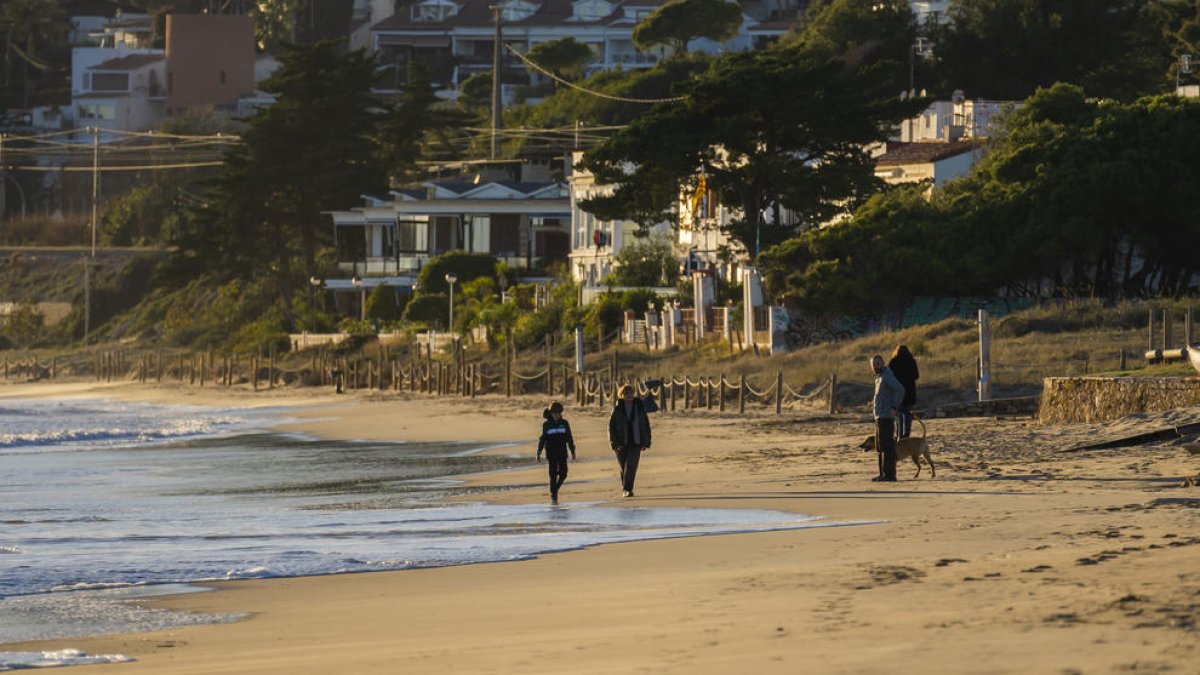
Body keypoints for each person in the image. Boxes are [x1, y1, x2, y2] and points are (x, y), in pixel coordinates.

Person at [608, 384, 652, 498]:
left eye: (631, 393)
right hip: (621, 443)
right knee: (624, 467)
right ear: (621, 395)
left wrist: (646, 442)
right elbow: (611, 427)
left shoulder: (639, 407)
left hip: (636, 442)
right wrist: (614, 443)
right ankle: (625, 488)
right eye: (626, 393)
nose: (629, 395)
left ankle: (628, 489)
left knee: (631, 466)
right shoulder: (617, 408)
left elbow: (645, 425)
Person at [871, 354, 906, 482]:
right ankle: (882, 473)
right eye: (874, 364)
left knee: (887, 446)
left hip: (886, 416)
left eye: (878, 363)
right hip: (879, 416)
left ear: (883, 363)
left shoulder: (887, 376)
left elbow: (900, 389)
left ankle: (890, 475)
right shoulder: (878, 378)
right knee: (880, 446)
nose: (876, 366)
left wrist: (894, 407)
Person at [536, 401, 576, 503]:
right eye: (554, 413)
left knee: (564, 474)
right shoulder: (546, 425)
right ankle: (554, 495)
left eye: (558, 413)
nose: (557, 415)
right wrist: (539, 452)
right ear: (551, 413)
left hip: (562, 452)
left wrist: (572, 450)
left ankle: (555, 489)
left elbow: (569, 437)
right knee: (553, 475)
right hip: (551, 453)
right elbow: (543, 439)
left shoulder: (565, 423)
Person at [888, 345, 920, 439]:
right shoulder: (911, 361)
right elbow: (916, 375)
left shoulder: (893, 362)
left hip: (897, 392)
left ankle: (899, 434)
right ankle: (906, 433)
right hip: (910, 392)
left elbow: (890, 376)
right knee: (907, 414)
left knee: (899, 414)